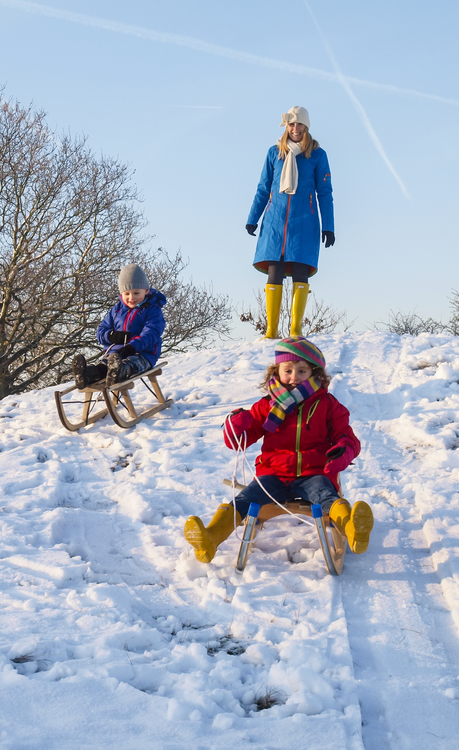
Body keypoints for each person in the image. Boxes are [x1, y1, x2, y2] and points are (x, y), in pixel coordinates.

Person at [184, 336, 372, 564]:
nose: (294, 377)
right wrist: (236, 426)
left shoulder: (327, 404)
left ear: (315, 373)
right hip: (274, 474)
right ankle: (210, 537)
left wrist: (344, 450)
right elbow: (239, 440)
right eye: (288, 370)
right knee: (245, 499)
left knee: (327, 497)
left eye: (302, 371)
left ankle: (353, 530)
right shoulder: (267, 405)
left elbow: (346, 436)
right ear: (277, 371)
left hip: (314, 472)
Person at [245, 106, 334, 339]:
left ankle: (295, 330)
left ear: (306, 127)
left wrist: (329, 226)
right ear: (287, 127)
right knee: (273, 269)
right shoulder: (274, 153)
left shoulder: (317, 155)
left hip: (305, 222)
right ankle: (271, 330)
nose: (295, 129)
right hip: (275, 222)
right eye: (291, 124)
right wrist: (253, 218)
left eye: (300, 124)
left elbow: (325, 192)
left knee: (299, 270)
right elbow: (263, 188)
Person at [71, 263, 167, 390]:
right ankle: (87, 374)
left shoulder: (152, 311)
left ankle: (120, 371)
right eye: (127, 294)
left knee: (130, 363)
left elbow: (151, 334)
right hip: (115, 355)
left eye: (136, 293)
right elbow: (101, 331)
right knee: (105, 366)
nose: (131, 298)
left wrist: (132, 347)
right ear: (121, 294)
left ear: (146, 291)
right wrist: (112, 336)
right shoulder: (116, 310)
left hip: (143, 354)